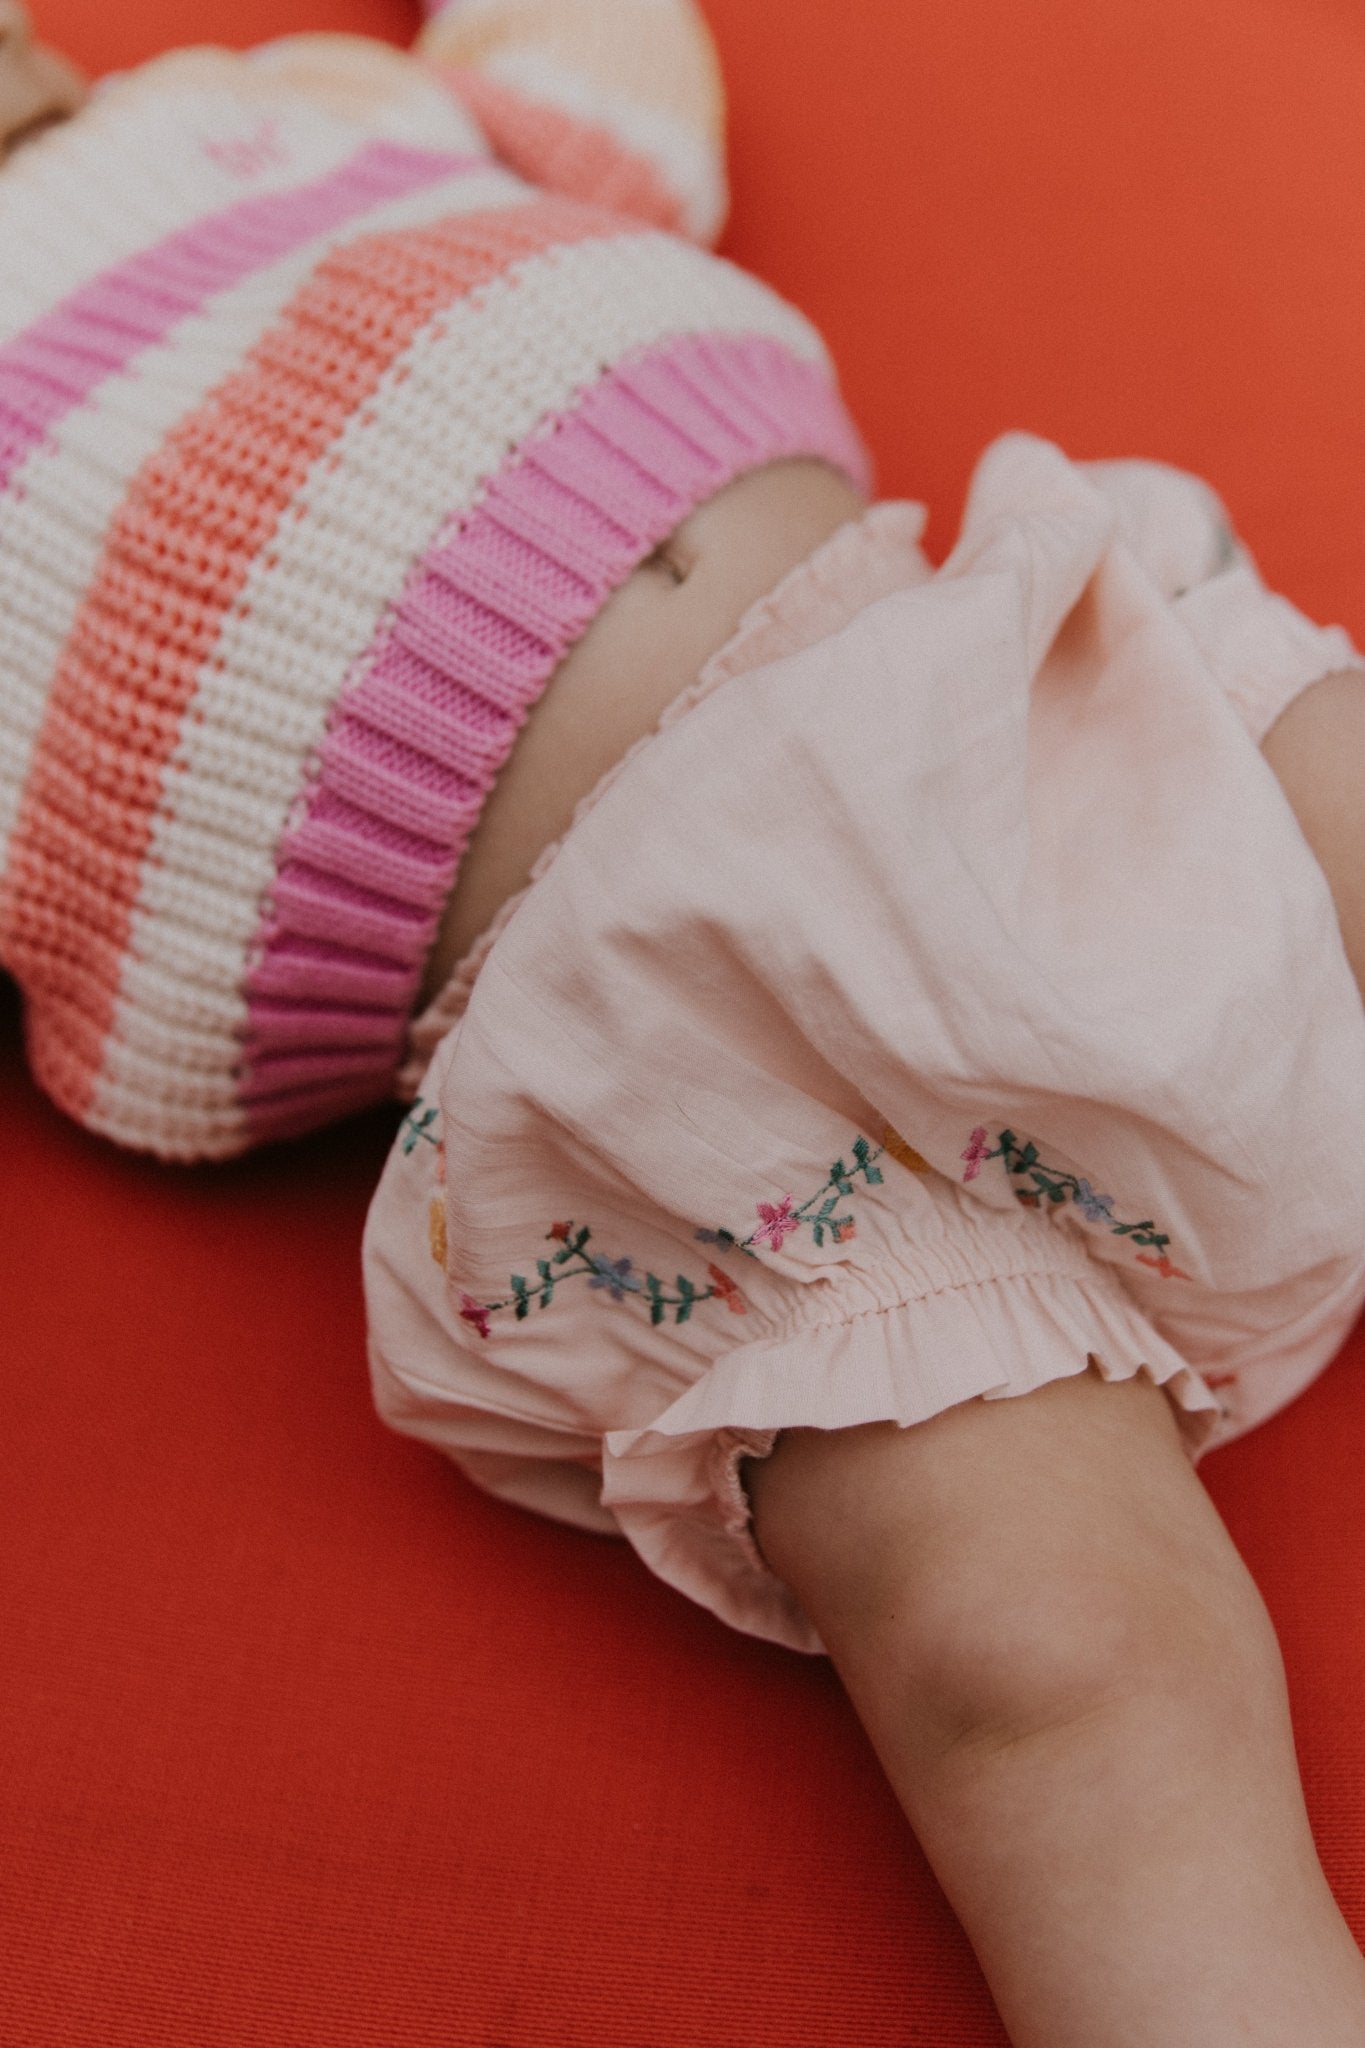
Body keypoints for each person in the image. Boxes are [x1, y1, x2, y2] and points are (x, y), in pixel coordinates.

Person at [4, 2, 1365, 2039]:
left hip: (998, 697)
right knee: (1042, 1658)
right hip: (683, 1069)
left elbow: (598, 64)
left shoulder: (287, 109)